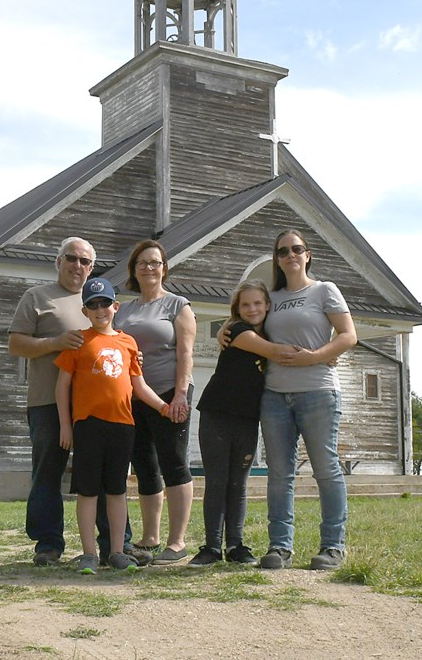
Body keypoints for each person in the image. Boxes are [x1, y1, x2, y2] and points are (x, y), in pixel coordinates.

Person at [8, 237, 148, 567]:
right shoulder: (37, 298)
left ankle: (116, 545)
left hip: (98, 407)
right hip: (48, 401)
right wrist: (55, 342)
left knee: (103, 477)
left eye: (85, 261)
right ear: (58, 262)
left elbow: (113, 346)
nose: (78, 265)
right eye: (71, 258)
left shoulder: (99, 298)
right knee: (48, 471)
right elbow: (15, 344)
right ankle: (48, 543)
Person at [55, 278, 175, 574]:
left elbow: (139, 384)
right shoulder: (78, 342)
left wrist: (162, 405)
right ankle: (88, 554)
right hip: (87, 426)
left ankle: (118, 551)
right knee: (87, 492)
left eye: (105, 303)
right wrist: (65, 426)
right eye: (93, 305)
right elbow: (62, 388)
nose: (100, 309)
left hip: (123, 426)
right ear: (85, 311)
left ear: (115, 307)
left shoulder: (127, 343)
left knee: (117, 491)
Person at [257, 228, 357, 571]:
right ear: (277, 259)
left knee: (326, 470)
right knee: (279, 473)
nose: (290, 255)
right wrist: (228, 329)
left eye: (296, 249)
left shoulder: (325, 290)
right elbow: (247, 321)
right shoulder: (271, 298)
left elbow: (348, 336)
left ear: (308, 254)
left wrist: (313, 356)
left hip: (318, 391)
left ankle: (333, 547)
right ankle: (280, 546)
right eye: (283, 251)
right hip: (274, 395)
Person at [189, 279, 297, 567]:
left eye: (258, 303)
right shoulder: (237, 331)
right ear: (237, 309)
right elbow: (276, 352)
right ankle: (211, 547)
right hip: (217, 414)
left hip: (248, 419)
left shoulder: (269, 335)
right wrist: (319, 355)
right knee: (218, 481)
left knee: (239, 484)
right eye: (246, 304)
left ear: (267, 305)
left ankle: (235, 545)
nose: (253, 309)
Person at [113, 239, 196, 565]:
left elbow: (185, 353)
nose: (149, 267)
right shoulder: (126, 308)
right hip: (133, 397)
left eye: (155, 262)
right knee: (145, 466)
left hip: (169, 392)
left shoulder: (178, 305)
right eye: (142, 263)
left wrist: (180, 394)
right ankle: (150, 537)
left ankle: (177, 542)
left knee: (173, 463)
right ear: (133, 269)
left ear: (164, 268)